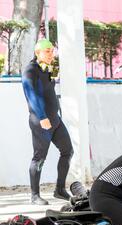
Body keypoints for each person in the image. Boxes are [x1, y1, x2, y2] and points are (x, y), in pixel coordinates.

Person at [21, 39, 73, 205]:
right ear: (38, 53)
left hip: (55, 120)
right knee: (39, 158)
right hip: (40, 120)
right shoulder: (30, 70)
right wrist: (42, 117)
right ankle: (35, 195)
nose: (51, 54)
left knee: (68, 151)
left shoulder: (48, 69)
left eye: (52, 51)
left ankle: (59, 189)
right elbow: (30, 94)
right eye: (47, 51)